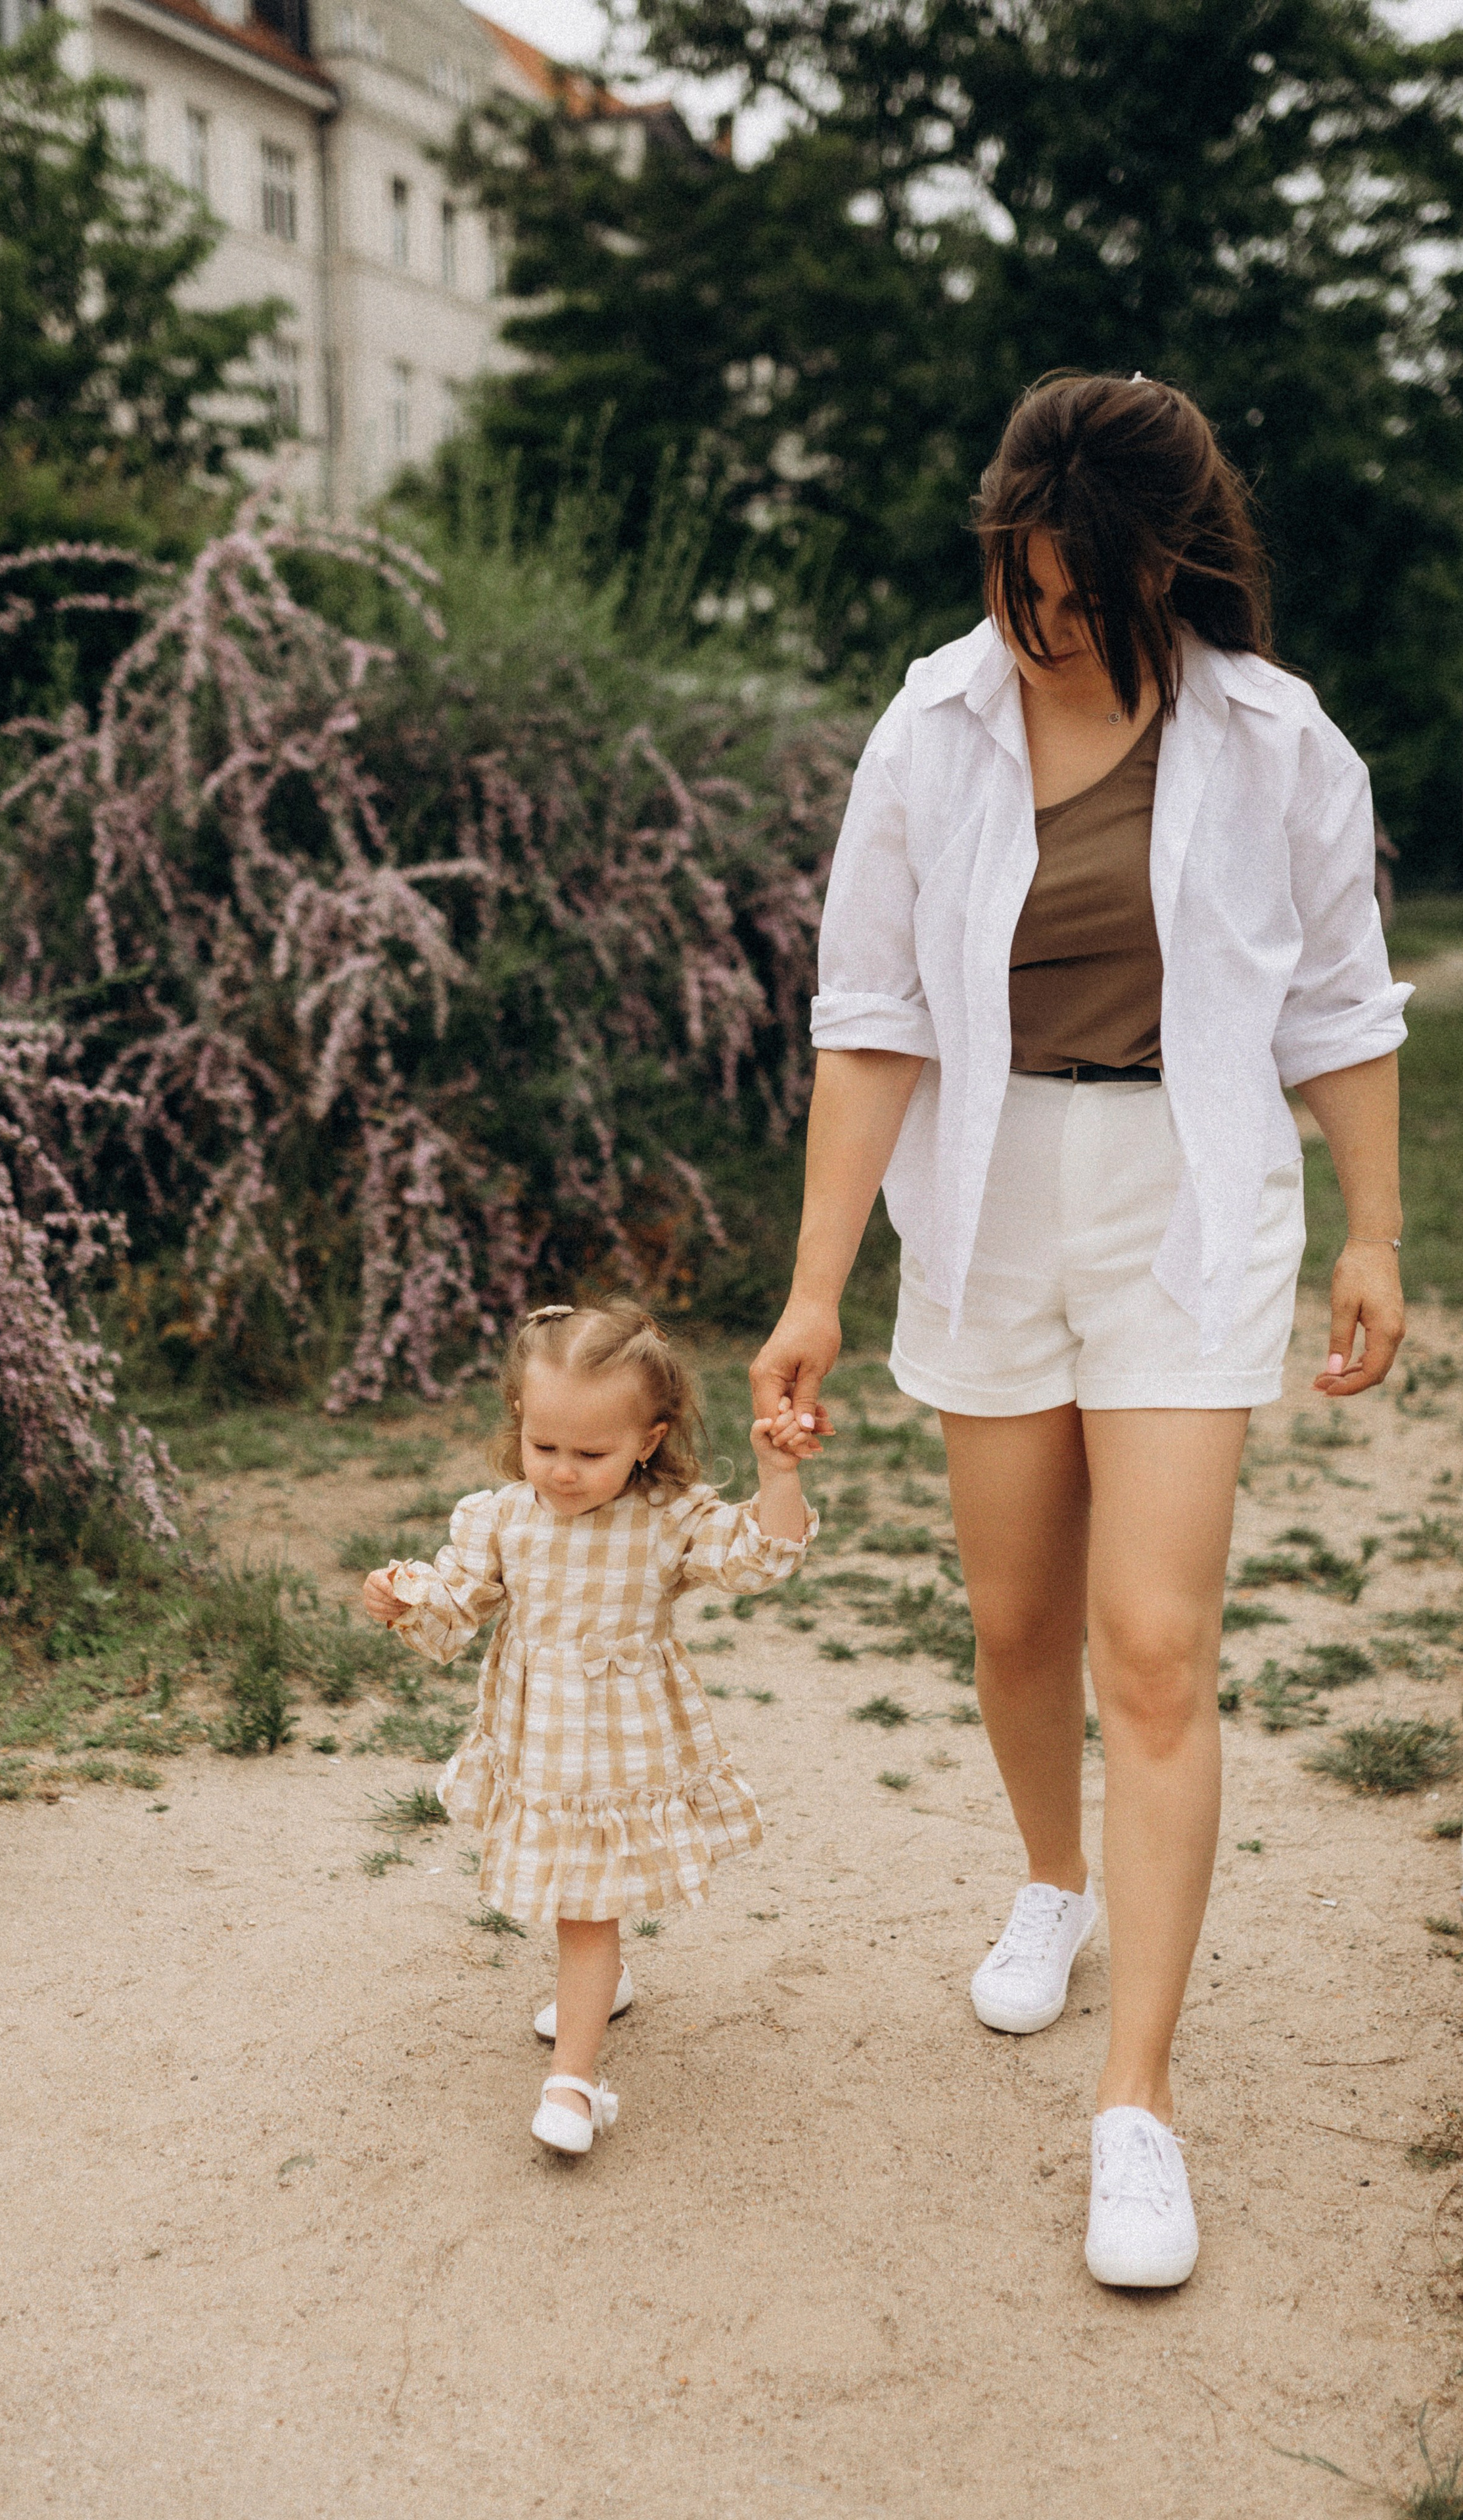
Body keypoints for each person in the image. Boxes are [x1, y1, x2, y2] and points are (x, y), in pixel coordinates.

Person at [751, 372, 1408, 2287]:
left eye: (1077, 599)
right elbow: (870, 1016)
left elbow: (1344, 1004)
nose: (1040, 629)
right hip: (987, 1195)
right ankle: (1056, 1879)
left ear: (1165, 572)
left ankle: (1140, 2101)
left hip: (1188, 1204)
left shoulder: (1277, 738)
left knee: (1155, 1642)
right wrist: (810, 1287)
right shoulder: (929, 722)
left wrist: (1380, 1231)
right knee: (1021, 1620)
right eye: (1020, 590)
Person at [362, 1299, 816, 2158]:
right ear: (521, 1422)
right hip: (540, 1743)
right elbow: (457, 1607)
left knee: (583, 1907)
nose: (563, 1473)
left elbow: (761, 1556)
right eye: (545, 1447)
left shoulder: (668, 1517)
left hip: (623, 1746)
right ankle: (599, 1989)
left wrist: (778, 1475)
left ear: (649, 1439)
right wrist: (403, 1597)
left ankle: (572, 2082)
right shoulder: (503, 1516)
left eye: (592, 1453)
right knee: (576, 1895)